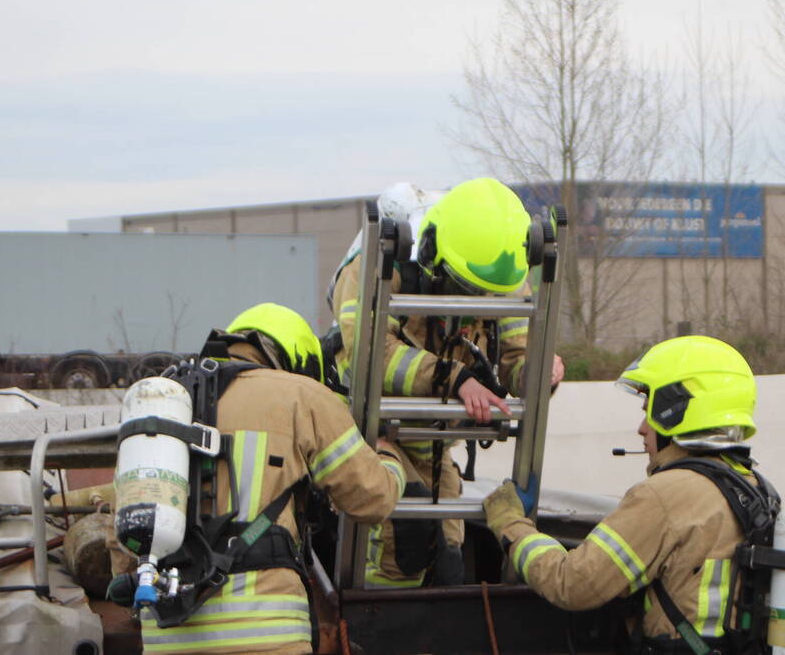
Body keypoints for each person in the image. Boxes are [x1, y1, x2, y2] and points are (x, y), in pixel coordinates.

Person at [330, 177, 565, 588]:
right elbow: (369, 352)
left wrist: (538, 373)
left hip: (434, 444)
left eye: (484, 293)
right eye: (466, 288)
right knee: (403, 546)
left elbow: (514, 356)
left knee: (449, 562)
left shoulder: (502, 270)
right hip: (372, 434)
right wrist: (455, 380)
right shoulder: (377, 265)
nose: (476, 299)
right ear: (433, 252)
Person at [133, 303, 406, 654]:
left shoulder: (164, 401)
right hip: (266, 632)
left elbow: (129, 526)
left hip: (165, 634)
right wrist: (390, 455)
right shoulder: (300, 395)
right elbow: (373, 499)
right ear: (300, 360)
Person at [482, 335, 778, 653]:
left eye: (650, 411)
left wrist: (509, 522)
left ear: (676, 411)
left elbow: (572, 583)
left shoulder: (665, 496)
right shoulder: (755, 489)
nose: (641, 428)